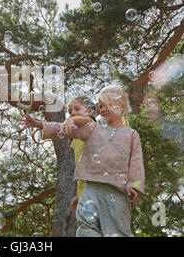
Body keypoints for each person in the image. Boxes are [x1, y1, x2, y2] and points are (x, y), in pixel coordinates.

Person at [41, 85, 145, 237]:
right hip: (90, 189)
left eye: (106, 105)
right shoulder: (96, 130)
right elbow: (62, 129)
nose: (102, 109)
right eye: (100, 106)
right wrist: (39, 124)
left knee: (118, 231)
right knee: (86, 229)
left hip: (116, 192)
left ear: (121, 107)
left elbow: (136, 162)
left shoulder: (131, 134)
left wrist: (134, 185)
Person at [18, 96, 97, 213]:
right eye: (70, 111)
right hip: (85, 187)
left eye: (77, 109)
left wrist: (72, 120)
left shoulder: (91, 126)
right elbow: (58, 128)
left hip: (97, 185)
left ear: (89, 111)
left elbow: (86, 121)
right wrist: (38, 124)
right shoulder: (76, 132)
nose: (73, 113)